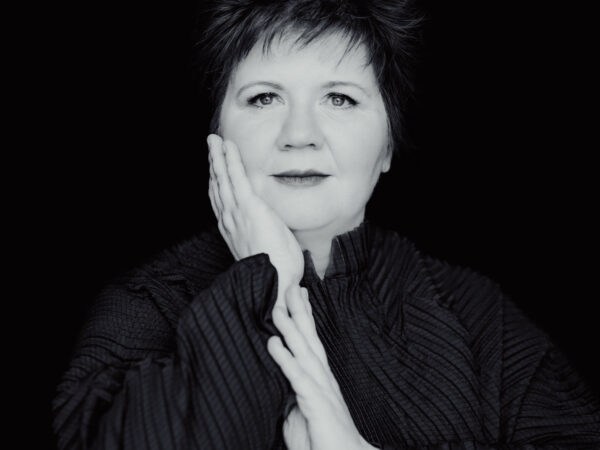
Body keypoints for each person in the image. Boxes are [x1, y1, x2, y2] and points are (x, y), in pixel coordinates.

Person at [52, 0, 600, 449]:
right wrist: (263, 278)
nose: (300, 134)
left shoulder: (478, 315)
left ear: (388, 145)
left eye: (339, 98)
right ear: (217, 133)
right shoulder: (146, 304)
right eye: (264, 98)